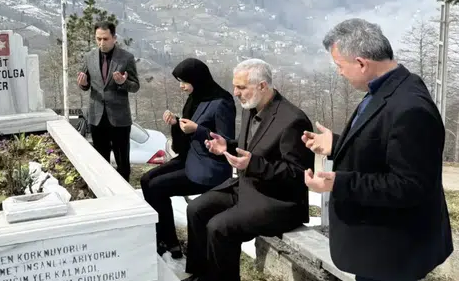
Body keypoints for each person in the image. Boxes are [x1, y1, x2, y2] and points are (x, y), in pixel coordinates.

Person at [302, 18, 453, 281]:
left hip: (392, 253)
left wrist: (338, 183)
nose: (339, 73)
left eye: (340, 66)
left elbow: (409, 185)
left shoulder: (410, 108)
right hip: (380, 248)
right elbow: (384, 148)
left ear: (361, 63)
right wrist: (336, 144)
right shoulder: (387, 87)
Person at [183, 58, 313, 281]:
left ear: (262, 86)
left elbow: (299, 174)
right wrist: (228, 146)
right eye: (235, 86)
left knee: (219, 227)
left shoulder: (293, 120)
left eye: (241, 87)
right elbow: (253, 149)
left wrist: (254, 165)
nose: (235, 92)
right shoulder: (251, 108)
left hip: (279, 200)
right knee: (196, 209)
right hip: (248, 186)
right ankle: (201, 273)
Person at [139, 58, 235, 260]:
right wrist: (176, 123)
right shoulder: (196, 98)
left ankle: (169, 242)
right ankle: (166, 238)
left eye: (184, 81)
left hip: (210, 168)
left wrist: (197, 130)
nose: (181, 86)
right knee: (146, 180)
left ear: (197, 79)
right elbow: (188, 131)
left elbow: (227, 141)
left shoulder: (222, 103)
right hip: (191, 157)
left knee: (157, 186)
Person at [77, 20, 139, 181]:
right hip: (97, 118)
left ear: (114, 38)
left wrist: (122, 83)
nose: (101, 43)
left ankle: (125, 194)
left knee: (122, 163)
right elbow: (87, 83)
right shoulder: (89, 57)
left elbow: (135, 86)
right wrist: (84, 85)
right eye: (98, 39)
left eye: (105, 39)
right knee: (100, 161)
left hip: (119, 119)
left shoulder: (126, 58)